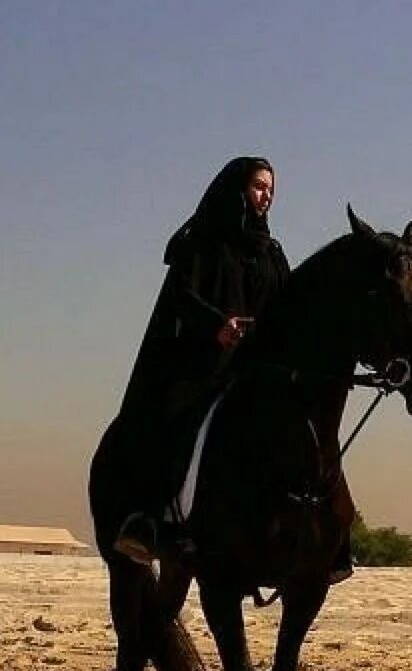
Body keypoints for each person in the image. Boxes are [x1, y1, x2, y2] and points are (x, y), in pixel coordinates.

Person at [113, 156, 290, 564]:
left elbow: (286, 305)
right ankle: (148, 520)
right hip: (202, 366)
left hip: (254, 368)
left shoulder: (272, 253)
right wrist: (217, 325)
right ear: (237, 189)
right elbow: (180, 297)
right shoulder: (201, 243)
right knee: (174, 423)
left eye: (271, 190)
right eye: (259, 187)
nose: (266, 197)